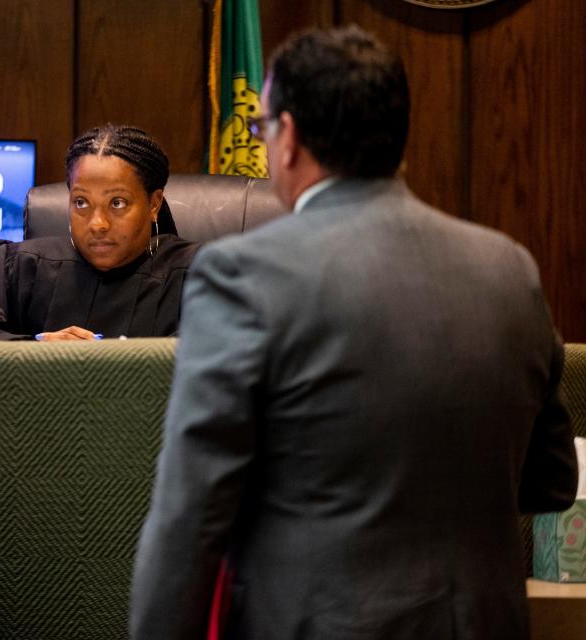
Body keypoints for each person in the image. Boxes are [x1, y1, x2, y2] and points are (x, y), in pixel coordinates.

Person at [130, 26, 577, 640]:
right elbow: (552, 479)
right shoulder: (508, 267)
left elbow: (191, 512)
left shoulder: (243, 273)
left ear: (287, 139)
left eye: (260, 130)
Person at [0, 125, 200, 340]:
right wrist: (38, 348)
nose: (98, 223)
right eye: (81, 202)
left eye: (117, 203)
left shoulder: (199, 275)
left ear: (154, 203)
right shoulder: (15, 267)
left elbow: (216, 361)